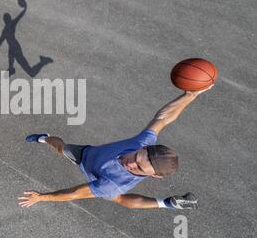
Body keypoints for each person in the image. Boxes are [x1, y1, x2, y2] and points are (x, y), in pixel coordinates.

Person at [19, 85, 213, 209]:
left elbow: (73, 194)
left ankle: (165, 204)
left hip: (98, 173)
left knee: (119, 198)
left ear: (153, 175)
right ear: (144, 148)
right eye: (137, 157)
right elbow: (163, 117)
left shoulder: (112, 184)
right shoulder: (142, 142)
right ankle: (45, 138)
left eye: (139, 168)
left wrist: (41, 197)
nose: (131, 164)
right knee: (60, 146)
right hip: (88, 153)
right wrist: (190, 95)